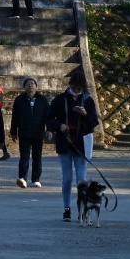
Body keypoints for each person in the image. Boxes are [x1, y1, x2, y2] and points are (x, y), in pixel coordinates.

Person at [47, 71, 100, 221]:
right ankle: (67, 208)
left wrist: (85, 114)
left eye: (79, 89)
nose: (75, 92)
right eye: (73, 89)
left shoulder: (88, 100)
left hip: (81, 144)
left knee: (81, 179)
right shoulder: (59, 99)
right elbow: (50, 119)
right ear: (69, 86)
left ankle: (82, 209)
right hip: (65, 143)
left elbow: (93, 123)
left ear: (83, 89)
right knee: (67, 179)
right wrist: (59, 126)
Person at [10, 75, 51, 189]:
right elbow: (15, 117)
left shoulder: (42, 100)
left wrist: (49, 129)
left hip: (38, 133)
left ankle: (36, 179)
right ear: (24, 86)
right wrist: (13, 132)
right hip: (24, 133)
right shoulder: (19, 100)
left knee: (37, 157)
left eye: (32, 83)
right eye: (27, 83)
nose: (30, 84)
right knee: (24, 156)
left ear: (36, 86)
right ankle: (22, 178)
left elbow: (48, 116)